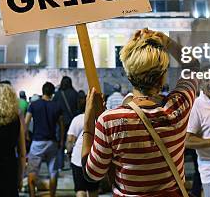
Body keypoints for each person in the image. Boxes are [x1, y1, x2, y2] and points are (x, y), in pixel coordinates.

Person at [82, 28, 200, 196]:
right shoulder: (179, 106)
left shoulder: (109, 121)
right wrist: (166, 42)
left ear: (128, 75)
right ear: (162, 77)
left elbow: (92, 175)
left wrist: (88, 122)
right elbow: (193, 65)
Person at [25, 81, 64, 197]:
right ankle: (52, 195)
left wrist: (26, 135)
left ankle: (33, 194)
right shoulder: (57, 106)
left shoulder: (34, 105)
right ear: (52, 93)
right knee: (53, 171)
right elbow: (61, 125)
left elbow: (26, 122)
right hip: (52, 142)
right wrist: (61, 140)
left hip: (37, 141)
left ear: (43, 91)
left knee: (32, 170)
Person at [67, 105, 99, 197]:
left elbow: (70, 140)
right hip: (94, 159)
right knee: (93, 189)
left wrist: (69, 152)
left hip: (78, 159)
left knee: (80, 189)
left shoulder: (77, 119)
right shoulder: (99, 119)